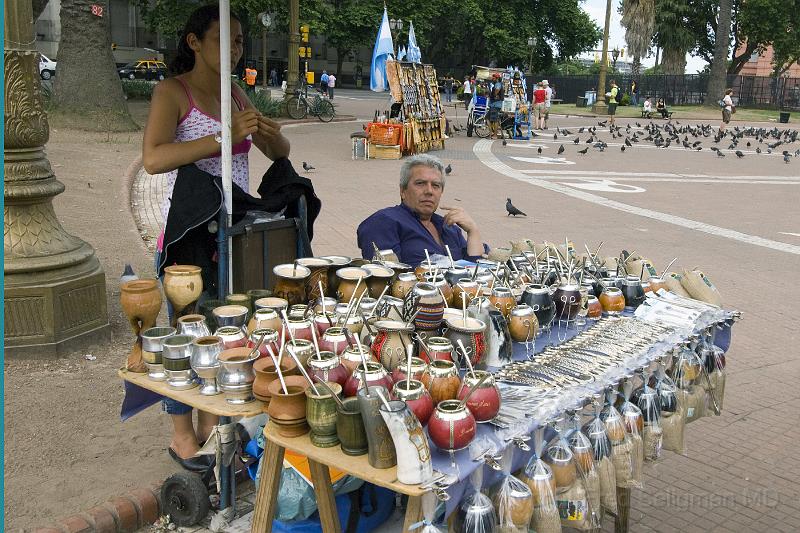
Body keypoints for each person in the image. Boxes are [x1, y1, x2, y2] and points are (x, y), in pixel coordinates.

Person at [142, 5, 291, 468]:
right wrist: (223, 137)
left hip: (234, 226)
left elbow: (279, 152)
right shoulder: (173, 92)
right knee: (187, 330)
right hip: (189, 230)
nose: (235, 49)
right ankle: (182, 434)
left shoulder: (236, 93)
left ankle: (213, 421)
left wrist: (270, 134)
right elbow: (153, 158)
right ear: (195, 42)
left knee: (226, 324)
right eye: (225, 39)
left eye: (240, 41)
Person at [356, 154, 486, 266]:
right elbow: (386, 279)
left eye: (435, 185)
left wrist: (473, 231)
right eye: (420, 183)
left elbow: (477, 272)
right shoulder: (384, 222)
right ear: (403, 191)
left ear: (441, 192)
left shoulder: (450, 227)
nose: (429, 191)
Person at [488, 73, 504, 139]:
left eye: (493, 78)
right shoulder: (496, 84)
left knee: (495, 120)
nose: (492, 79)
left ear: (497, 78)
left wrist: (494, 94)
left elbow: (497, 90)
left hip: (496, 104)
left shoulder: (498, 84)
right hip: (493, 104)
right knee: (487, 118)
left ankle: (495, 135)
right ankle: (491, 133)